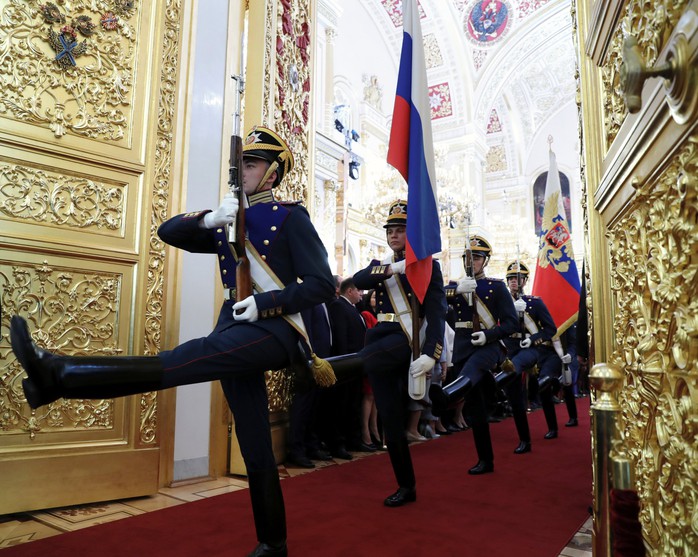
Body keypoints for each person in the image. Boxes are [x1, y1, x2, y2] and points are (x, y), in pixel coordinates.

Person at [9, 126, 335, 557]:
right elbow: (168, 231)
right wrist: (209, 219)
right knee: (255, 444)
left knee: (184, 360)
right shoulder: (228, 218)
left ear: (273, 175)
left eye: (251, 164)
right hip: (234, 327)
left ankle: (60, 373)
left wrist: (268, 303)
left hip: (272, 331)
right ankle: (274, 543)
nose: (241, 170)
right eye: (240, 163)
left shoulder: (291, 219)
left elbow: (322, 286)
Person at [354, 199, 447, 506]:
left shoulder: (429, 269)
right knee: (392, 420)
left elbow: (436, 313)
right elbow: (359, 280)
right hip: (377, 339)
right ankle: (407, 486)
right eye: (391, 231)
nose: (394, 236)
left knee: (367, 361)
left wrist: (431, 354)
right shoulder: (381, 267)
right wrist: (393, 269)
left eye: (400, 230)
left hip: (403, 343)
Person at [429, 235, 518, 475]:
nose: (472, 262)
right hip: (462, 348)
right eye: (468, 257)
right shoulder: (453, 287)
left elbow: (511, 323)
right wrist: (457, 288)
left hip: (487, 348)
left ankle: (446, 396)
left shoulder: (496, 287)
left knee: (474, 370)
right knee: (476, 410)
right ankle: (485, 460)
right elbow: (435, 299)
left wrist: (489, 336)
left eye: (477, 257)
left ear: (485, 261)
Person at [503, 262, 569, 441]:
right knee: (514, 392)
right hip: (513, 352)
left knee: (544, 388)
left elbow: (550, 329)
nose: (513, 282)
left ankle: (552, 427)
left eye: (517, 279)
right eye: (510, 279)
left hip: (539, 352)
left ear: (525, 281)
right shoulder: (503, 303)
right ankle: (523, 437)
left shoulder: (535, 303)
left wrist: (532, 339)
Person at [324, 277, 367, 458]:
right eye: (359, 291)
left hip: (356, 364)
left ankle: (354, 440)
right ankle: (338, 443)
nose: (361, 294)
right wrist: (344, 362)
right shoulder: (339, 306)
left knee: (353, 404)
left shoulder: (352, 308)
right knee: (341, 406)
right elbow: (341, 337)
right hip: (345, 365)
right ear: (349, 291)